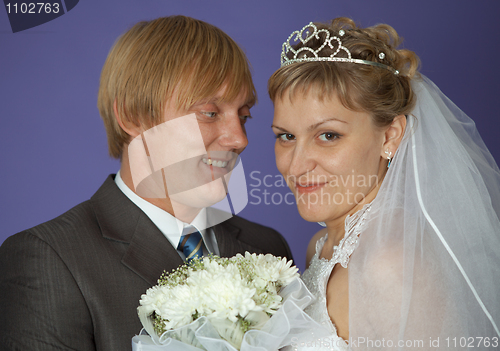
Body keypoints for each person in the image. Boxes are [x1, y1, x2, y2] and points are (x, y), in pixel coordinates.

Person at [0, 16, 292, 351]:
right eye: (209, 113)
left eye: (244, 115)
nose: (239, 139)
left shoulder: (268, 247)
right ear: (132, 116)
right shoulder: (50, 257)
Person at [268, 17, 500, 350]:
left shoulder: (389, 266)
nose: (296, 163)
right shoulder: (322, 246)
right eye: (286, 136)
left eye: (328, 135)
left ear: (389, 137)